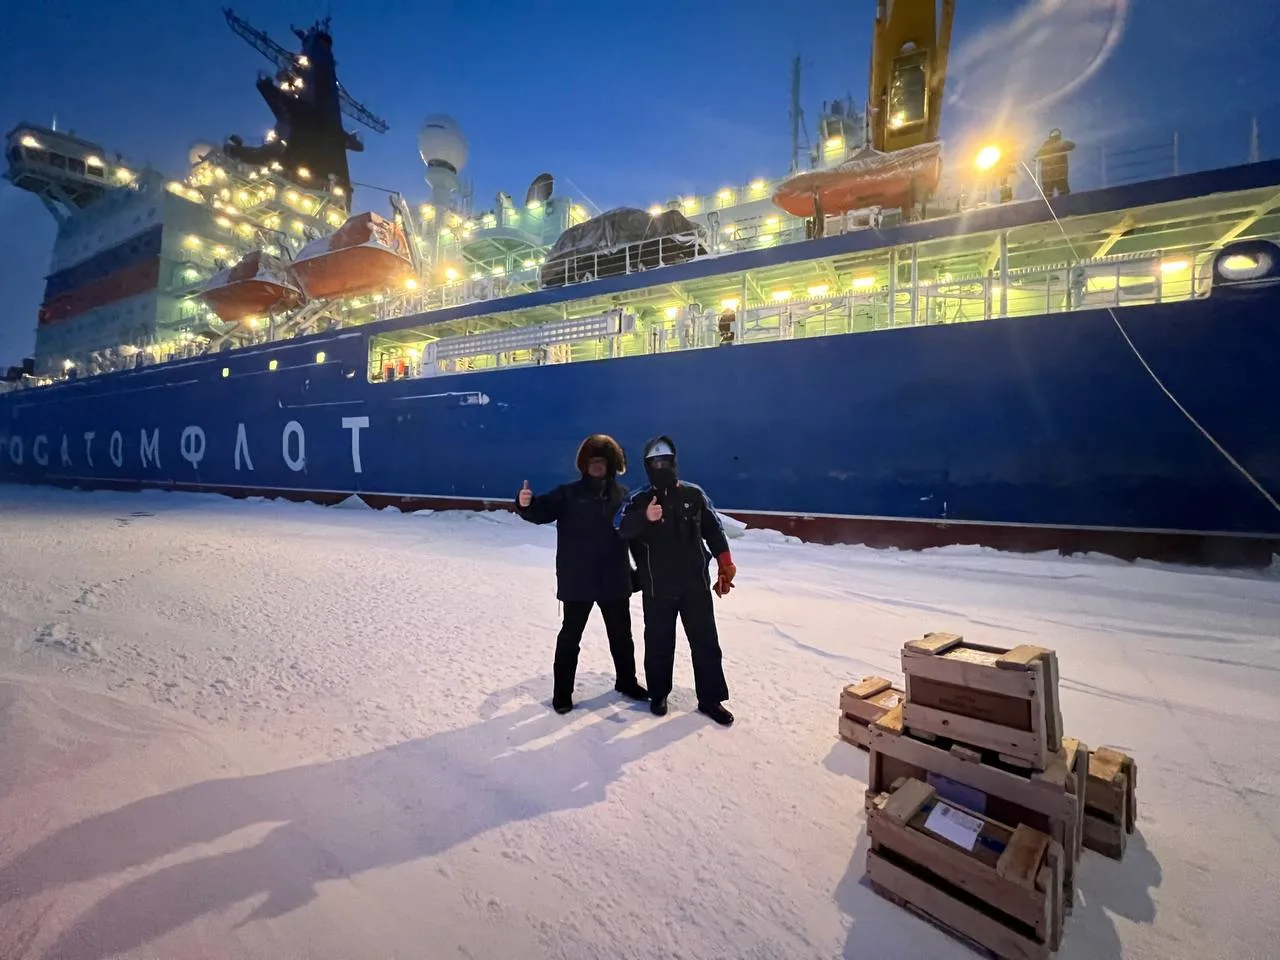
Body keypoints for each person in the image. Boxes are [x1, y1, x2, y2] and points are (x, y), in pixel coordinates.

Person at [516, 434, 649, 715]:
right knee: (570, 638)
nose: (597, 466)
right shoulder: (568, 494)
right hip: (578, 579)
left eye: (602, 462)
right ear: (584, 464)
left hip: (615, 578)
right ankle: (562, 694)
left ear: (612, 464)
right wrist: (525, 504)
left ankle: (627, 681)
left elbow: (636, 537)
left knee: (622, 636)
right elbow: (540, 512)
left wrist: (641, 573)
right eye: (592, 461)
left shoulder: (624, 496)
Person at [613, 435, 737, 726]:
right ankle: (658, 695)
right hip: (657, 587)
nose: (661, 467)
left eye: (665, 461)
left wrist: (726, 563)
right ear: (647, 466)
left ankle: (710, 699)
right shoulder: (639, 498)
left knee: (706, 642)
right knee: (658, 643)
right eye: (655, 462)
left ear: (674, 462)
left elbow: (714, 530)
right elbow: (619, 526)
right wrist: (644, 517)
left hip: (695, 584)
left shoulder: (694, 494)